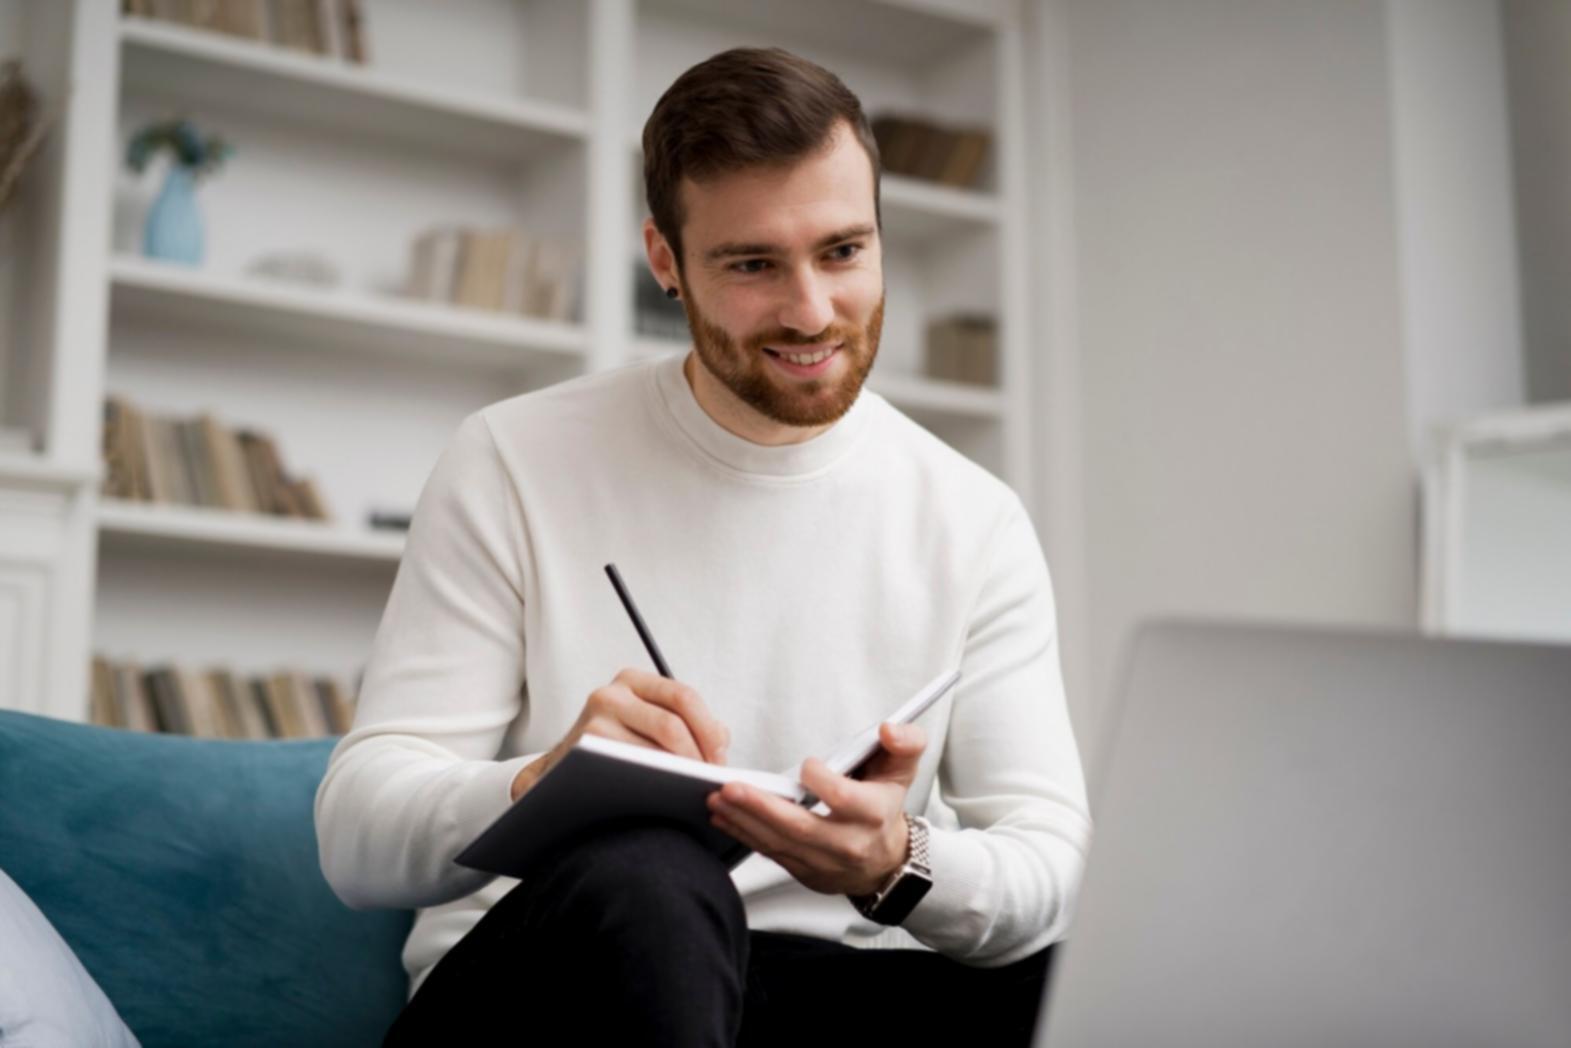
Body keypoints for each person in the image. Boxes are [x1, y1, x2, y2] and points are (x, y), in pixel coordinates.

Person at [314, 45, 1093, 1047]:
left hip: (821, 985)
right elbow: (354, 836)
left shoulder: (972, 519)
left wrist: (895, 862)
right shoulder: (510, 457)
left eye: (842, 251)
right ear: (664, 261)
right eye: (752, 264)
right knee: (650, 870)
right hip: (557, 984)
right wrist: (539, 785)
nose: (810, 311)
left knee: (1093, 980)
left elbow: (1048, 864)